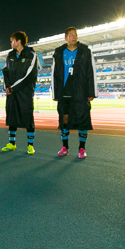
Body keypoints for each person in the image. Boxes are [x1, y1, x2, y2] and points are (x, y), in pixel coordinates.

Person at [51, 27, 97, 159]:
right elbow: (54, 73)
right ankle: (65, 147)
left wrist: (91, 92)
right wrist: (55, 94)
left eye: (75, 35)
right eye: (70, 35)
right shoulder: (59, 52)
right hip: (64, 92)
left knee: (82, 120)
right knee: (64, 121)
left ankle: (82, 148)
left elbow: (91, 72)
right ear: (66, 38)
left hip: (81, 92)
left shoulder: (85, 51)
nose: (73, 37)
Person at [1, 31, 38, 155]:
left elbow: (29, 75)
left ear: (19, 41)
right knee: (12, 116)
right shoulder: (10, 55)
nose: (11, 43)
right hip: (12, 92)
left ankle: (30, 145)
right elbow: (5, 71)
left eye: (12, 41)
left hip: (25, 92)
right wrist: (7, 86)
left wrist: (13, 87)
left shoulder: (31, 54)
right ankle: (12, 143)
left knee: (28, 117)